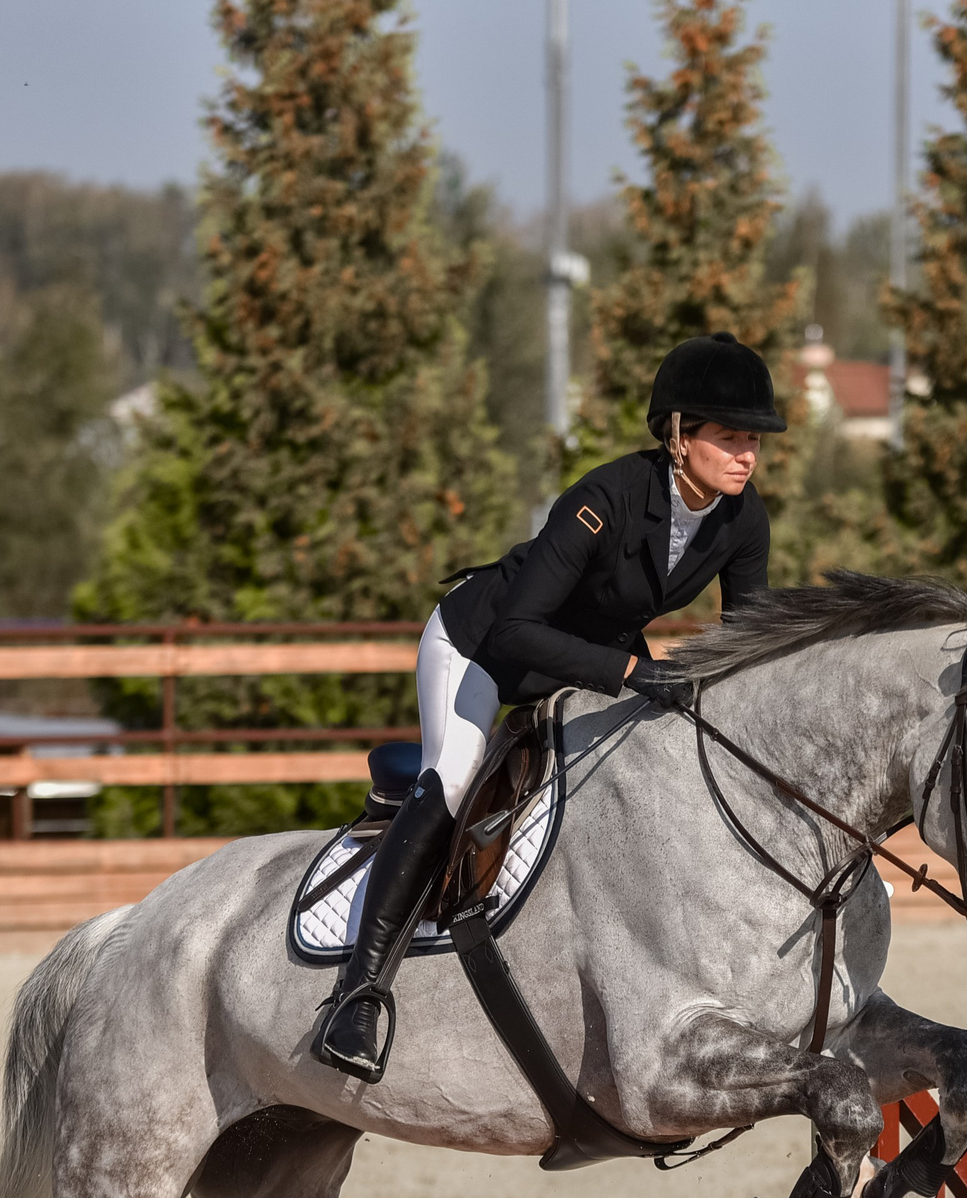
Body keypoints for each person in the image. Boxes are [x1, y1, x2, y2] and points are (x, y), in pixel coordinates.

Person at [312, 331, 786, 1081]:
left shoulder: (742, 517)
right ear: (677, 434)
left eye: (753, 440)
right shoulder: (602, 500)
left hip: (593, 658)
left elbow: (748, 639)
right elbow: (517, 628)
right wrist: (633, 669)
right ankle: (357, 995)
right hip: (483, 650)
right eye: (728, 437)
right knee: (457, 778)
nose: (746, 455)